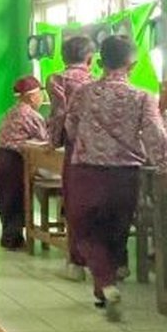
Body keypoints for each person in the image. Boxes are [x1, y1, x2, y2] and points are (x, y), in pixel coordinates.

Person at [65, 35, 167, 321]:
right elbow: (156, 134)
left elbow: (71, 127)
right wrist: (165, 163)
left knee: (87, 232)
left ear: (99, 62)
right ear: (134, 65)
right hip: (124, 175)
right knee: (116, 232)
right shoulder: (142, 97)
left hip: (87, 172)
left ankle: (106, 285)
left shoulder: (83, 93)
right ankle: (104, 289)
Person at [47, 35, 96, 281]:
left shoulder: (58, 79)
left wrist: (53, 141)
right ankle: (112, 264)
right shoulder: (97, 81)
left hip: (76, 151)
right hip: (104, 154)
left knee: (76, 204)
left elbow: (58, 114)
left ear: (64, 57)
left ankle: (76, 263)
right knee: (101, 205)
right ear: (90, 58)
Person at [0, 76, 47, 250]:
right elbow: (46, 141)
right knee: (16, 200)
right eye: (40, 94)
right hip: (12, 162)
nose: (42, 98)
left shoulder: (12, 111)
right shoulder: (31, 115)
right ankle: (13, 240)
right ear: (31, 97)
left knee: (5, 201)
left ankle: (10, 237)